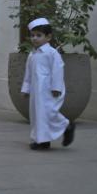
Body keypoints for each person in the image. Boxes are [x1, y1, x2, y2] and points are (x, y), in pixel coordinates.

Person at [20, 17, 76, 150]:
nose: (34, 38)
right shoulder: (32, 55)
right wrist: (26, 89)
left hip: (48, 90)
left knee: (48, 112)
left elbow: (58, 70)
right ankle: (42, 140)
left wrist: (56, 87)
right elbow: (28, 74)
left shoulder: (52, 53)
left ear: (48, 37)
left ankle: (66, 126)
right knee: (37, 114)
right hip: (36, 91)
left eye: (38, 35)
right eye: (32, 35)